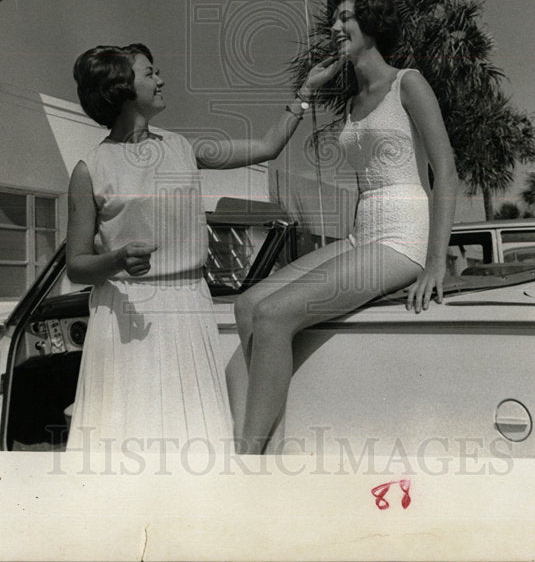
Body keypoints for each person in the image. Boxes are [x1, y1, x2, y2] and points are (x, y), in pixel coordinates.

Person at [64, 42, 339, 454]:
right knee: (127, 443)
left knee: (191, 439)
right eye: (149, 72)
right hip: (126, 316)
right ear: (121, 87)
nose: (161, 79)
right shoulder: (90, 170)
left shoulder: (182, 149)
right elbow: (77, 265)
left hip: (187, 307)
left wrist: (305, 93)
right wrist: (116, 260)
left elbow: (266, 147)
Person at [233, 0, 459, 454]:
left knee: (273, 318)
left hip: (404, 239)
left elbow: (446, 169)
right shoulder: (353, 101)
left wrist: (437, 262)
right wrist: (308, 89)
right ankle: (263, 450)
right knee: (247, 306)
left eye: (345, 17)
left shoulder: (409, 83)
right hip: (364, 234)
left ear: (371, 23)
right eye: (334, 18)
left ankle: (244, 463)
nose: (335, 26)